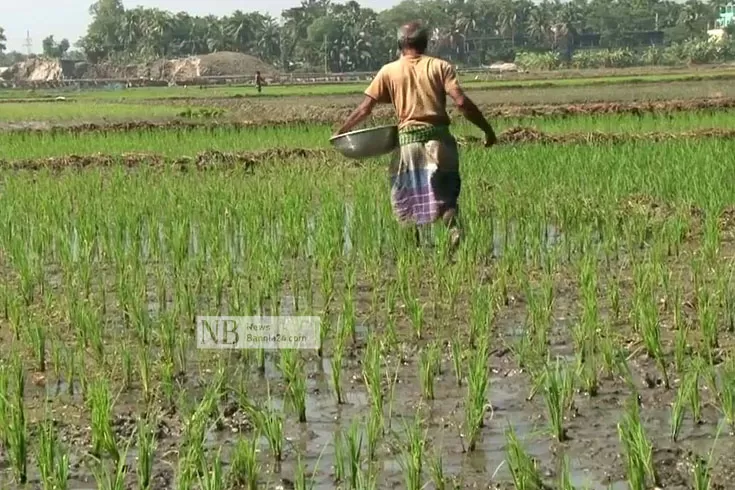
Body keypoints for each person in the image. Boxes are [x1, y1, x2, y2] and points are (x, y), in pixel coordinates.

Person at [333, 21, 497, 249]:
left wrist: (342, 132)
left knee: (407, 201)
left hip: (408, 144)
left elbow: (365, 109)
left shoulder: (389, 71)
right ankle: (454, 231)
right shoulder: (440, 67)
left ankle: (414, 255)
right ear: (425, 43)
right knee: (447, 197)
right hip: (440, 142)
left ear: (400, 44)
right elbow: (461, 102)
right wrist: (487, 130)